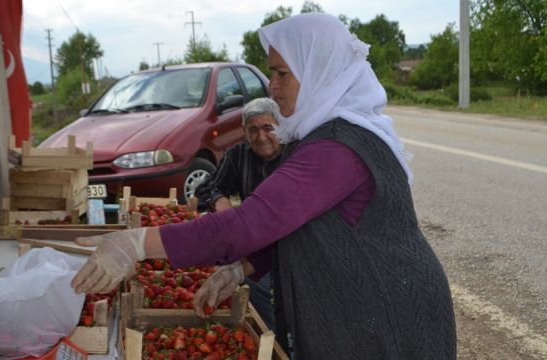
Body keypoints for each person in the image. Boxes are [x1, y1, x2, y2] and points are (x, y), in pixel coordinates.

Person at [72, 13, 456, 359]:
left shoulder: (337, 148)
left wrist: (137, 244)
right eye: (271, 72)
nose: (271, 86)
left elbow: (248, 223)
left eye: (282, 73)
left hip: (386, 310)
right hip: (366, 305)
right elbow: (298, 227)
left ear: (318, 69)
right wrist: (243, 268)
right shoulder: (321, 136)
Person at [194, 97, 282, 330]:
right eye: (253, 129)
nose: (261, 136)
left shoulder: (294, 155)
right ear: (244, 131)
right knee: (250, 285)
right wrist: (220, 201)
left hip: (291, 247)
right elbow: (206, 187)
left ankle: (281, 338)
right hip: (256, 245)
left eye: (268, 128)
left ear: (280, 125)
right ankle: (273, 340)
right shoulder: (239, 156)